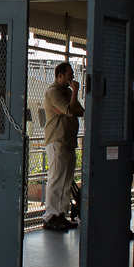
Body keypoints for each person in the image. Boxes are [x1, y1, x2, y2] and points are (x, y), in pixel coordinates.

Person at [42, 62, 84, 232]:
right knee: (57, 178)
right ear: (59, 75)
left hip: (68, 140)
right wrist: (75, 93)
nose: (72, 77)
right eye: (69, 74)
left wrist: (73, 95)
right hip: (57, 140)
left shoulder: (66, 91)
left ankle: (61, 214)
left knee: (67, 179)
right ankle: (50, 216)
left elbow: (80, 110)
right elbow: (69, 110)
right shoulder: (53, 92)